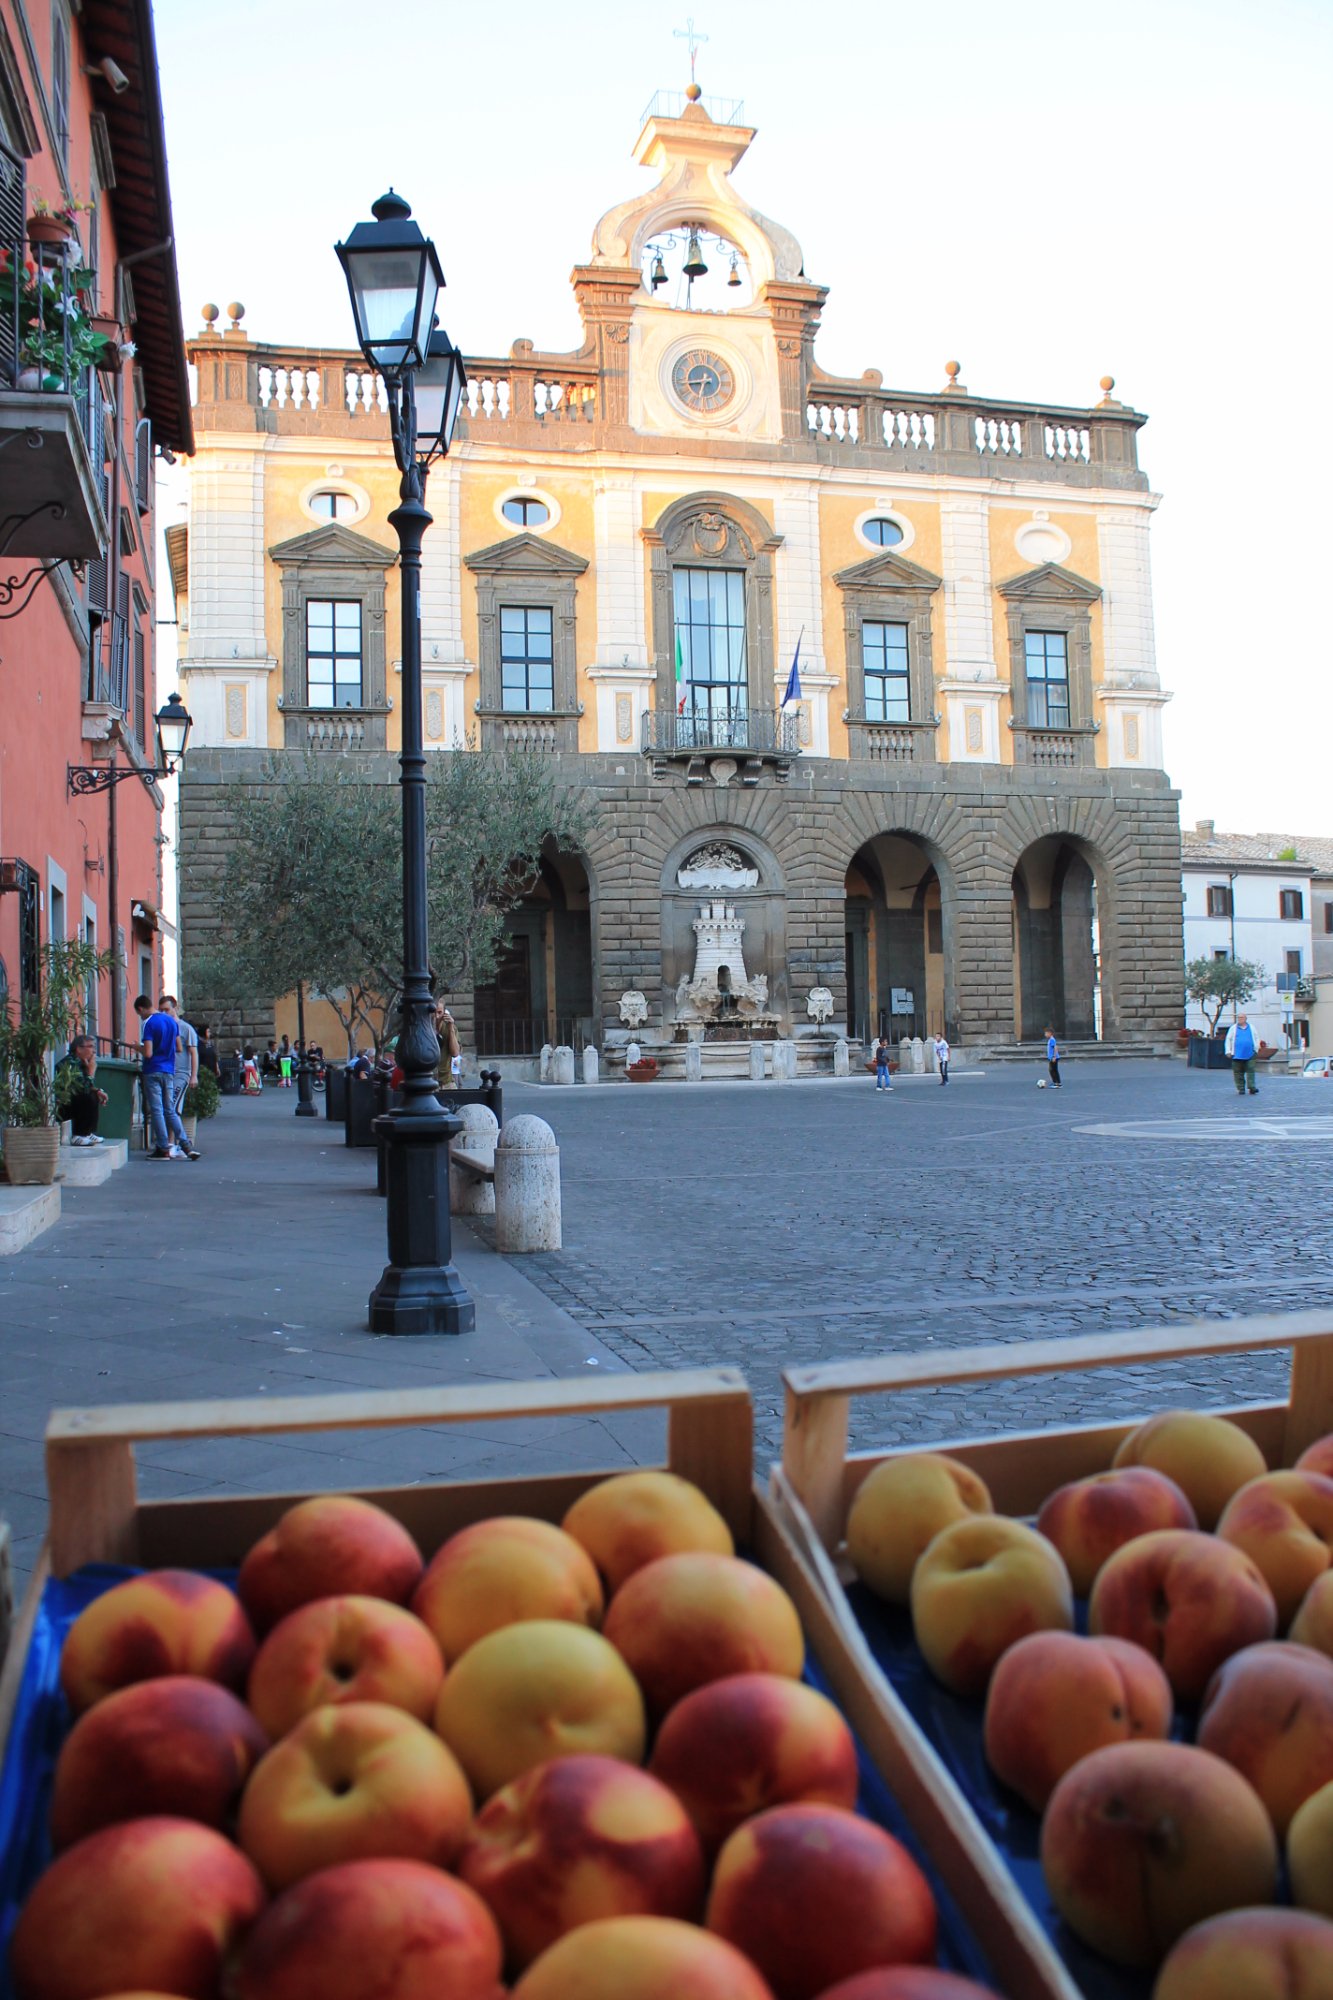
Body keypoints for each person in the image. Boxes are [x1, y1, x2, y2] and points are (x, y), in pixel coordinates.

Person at [140, 997, 195, 1159]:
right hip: (170, 1070)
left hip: (153, 1070)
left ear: (142, 1009)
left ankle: (163, 1148)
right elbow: (179, 1048)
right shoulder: (172, 1023)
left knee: (157, 1110)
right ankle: (185, 1144)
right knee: (170, 1109)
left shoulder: (149, 1024)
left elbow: (148, 1053)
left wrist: (136, 1047)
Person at [57, 1035, 107, 1146]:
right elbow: (81, 1088)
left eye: (94, 1047)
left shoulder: (81, 1062)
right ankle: (78, 1135)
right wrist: (91, 1072)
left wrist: (97, 1091)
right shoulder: (71, 1063)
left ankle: (88, 1132)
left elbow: (85, 1086)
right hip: (62, 1105)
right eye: (90, 1047)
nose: (94, 1051)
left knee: (94, 1095)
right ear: (79, 1049)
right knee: (87, 1096)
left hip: (72, 1101)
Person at [162, 996, 199, 1135]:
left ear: (175, 1008)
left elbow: (193, 1052)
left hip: (181, 1073)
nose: (165, 1013)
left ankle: (173, 1143)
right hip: (166, 1072)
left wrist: (193, 1075)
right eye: (162, 1010)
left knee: (172, 1107)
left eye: (167, 1009)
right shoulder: (163, 1027)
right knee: (167, 1108)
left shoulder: (185, 1029)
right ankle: (170, 1143)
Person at [1225, 1012, 1260, 1096]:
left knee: (1251, 1070)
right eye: (1239, 1018)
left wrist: (1256, 1049)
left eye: (1242, 1018)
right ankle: (1241, 1088)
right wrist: (1228, 1051)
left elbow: (1256, 1037)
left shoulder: (1251, 1027)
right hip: (1237, 1054)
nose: (1240, 1019)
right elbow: (1228, 1039)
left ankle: (1252, 1087)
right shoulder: (1233, 1028)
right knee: (1238, 1072)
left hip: (1250, 1053)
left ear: (1245, 1019)